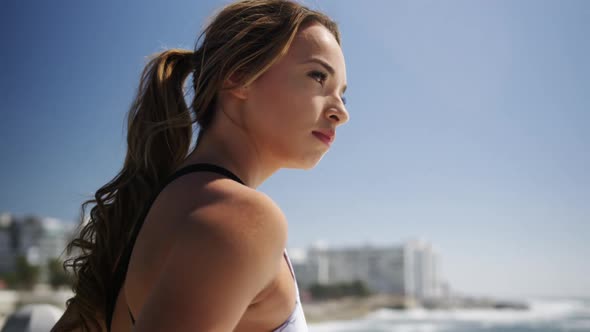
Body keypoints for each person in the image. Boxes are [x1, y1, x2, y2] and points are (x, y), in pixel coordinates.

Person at [52, 0, 349, 331]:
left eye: (343, 95)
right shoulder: (243, 217)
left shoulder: (156, 208)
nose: (341, 111)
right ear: (238, 77)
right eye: (317, 76)